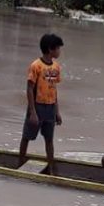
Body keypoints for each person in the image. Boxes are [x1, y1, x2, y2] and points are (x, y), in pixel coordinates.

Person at [18, 33, 64, 173]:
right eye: (58, 49)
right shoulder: (36, 66)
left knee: (49, 139)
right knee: (27, 136)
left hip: (50, 107)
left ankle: (51, 167)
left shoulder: (56, 67)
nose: (59, 51)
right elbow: (30, 88)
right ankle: (19, 163)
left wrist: (57, 111)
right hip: (37, 106)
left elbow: (53, 89)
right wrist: (32, 111)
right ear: (51, 49)